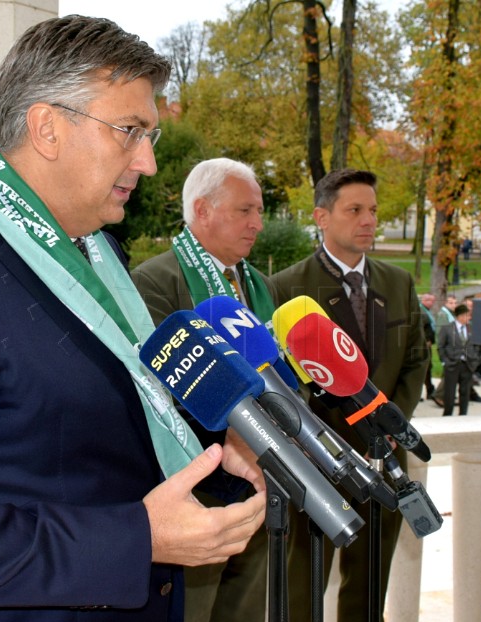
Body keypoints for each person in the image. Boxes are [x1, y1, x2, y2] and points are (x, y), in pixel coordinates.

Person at [0, 16, 266, 622]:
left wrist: (213, 465)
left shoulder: (97, 258)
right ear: (46, 127)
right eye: (129, 131)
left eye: (148, 134)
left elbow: (91, 450)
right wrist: (138, 539)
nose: (147, 162)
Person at [271, 168, 429, 621]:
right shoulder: (286, 287)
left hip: (387, 459)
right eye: (355, 210)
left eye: (373, 210)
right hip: (319, 462)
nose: (368, 220)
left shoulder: (398, 284)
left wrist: (392, 422)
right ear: (322, 217)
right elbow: (282, 379)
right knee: (304, 583)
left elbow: (417, 358)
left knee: (369, 587)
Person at [131, 157, 274, 622]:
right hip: (199, 486)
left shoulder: (260, 286)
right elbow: (161, 390)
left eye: (259, 211)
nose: (257, 223)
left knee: (247, 609)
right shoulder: (155, 281)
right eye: (245, 211)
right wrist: (238, 439)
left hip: (262, 478)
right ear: (203, 210)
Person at [437, 304, 481, 416]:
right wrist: (444, 361)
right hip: (452, 364)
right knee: (450, 392)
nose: (469, 318)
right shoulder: (447, 328)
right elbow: (441, 346)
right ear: (460, 316)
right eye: (467, 315)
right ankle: (447, 414)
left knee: (465, 391)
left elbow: (477, 346)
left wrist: (474, 360)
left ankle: (463, 414)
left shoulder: (471, 328)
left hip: (467, 364)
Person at [419, 292, 437, 400]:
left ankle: (430, 389)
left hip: (427, 345)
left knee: (428, 369)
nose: (432, 303)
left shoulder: (427, 311)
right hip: (422, 346)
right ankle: (423, 391)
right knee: (423, 369)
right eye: (430, 300)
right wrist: (425, 341)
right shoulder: (421, 312)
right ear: (424, 300)